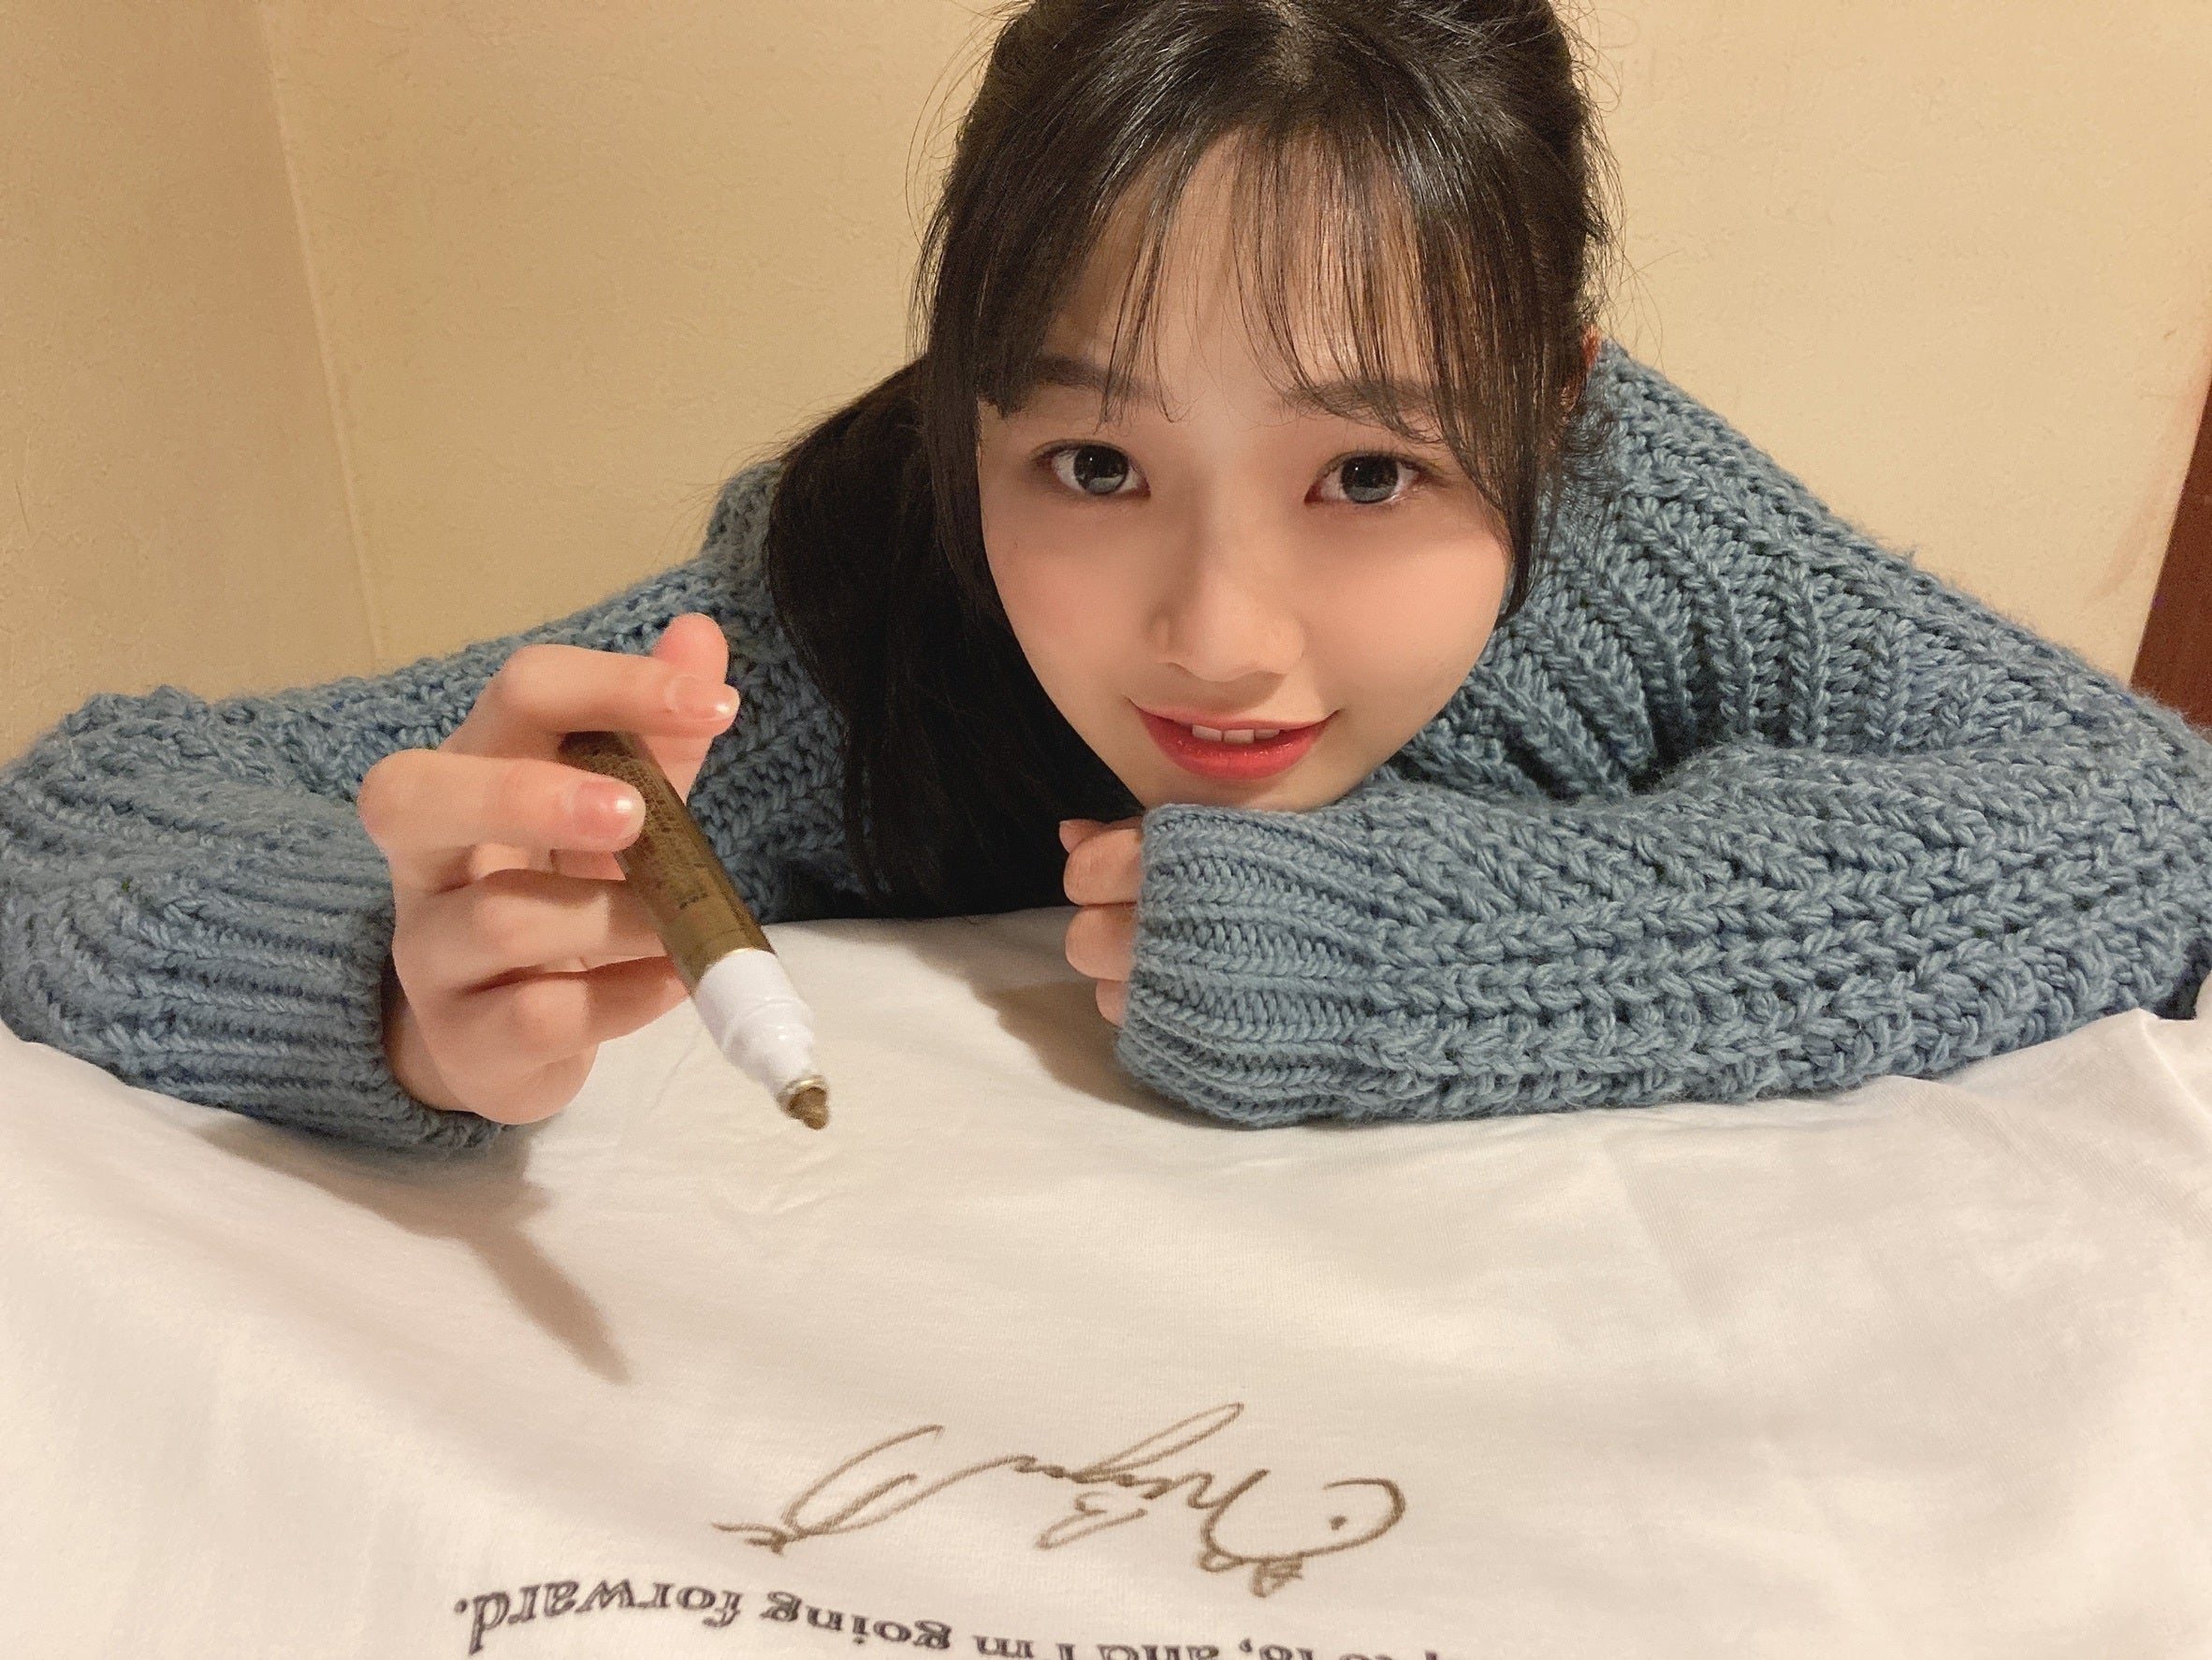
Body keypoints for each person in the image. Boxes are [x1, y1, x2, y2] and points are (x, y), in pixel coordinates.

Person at [2, 0, 2206, 1155]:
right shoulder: (852, 615)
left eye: (1368, 468)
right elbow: (72, 813)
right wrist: (381, 980)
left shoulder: (1653, 538)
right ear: (968, 421)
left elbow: (2158, 822)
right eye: (1091, 460)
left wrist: (1429, 955)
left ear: (1555, 405)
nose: (1218, 639)